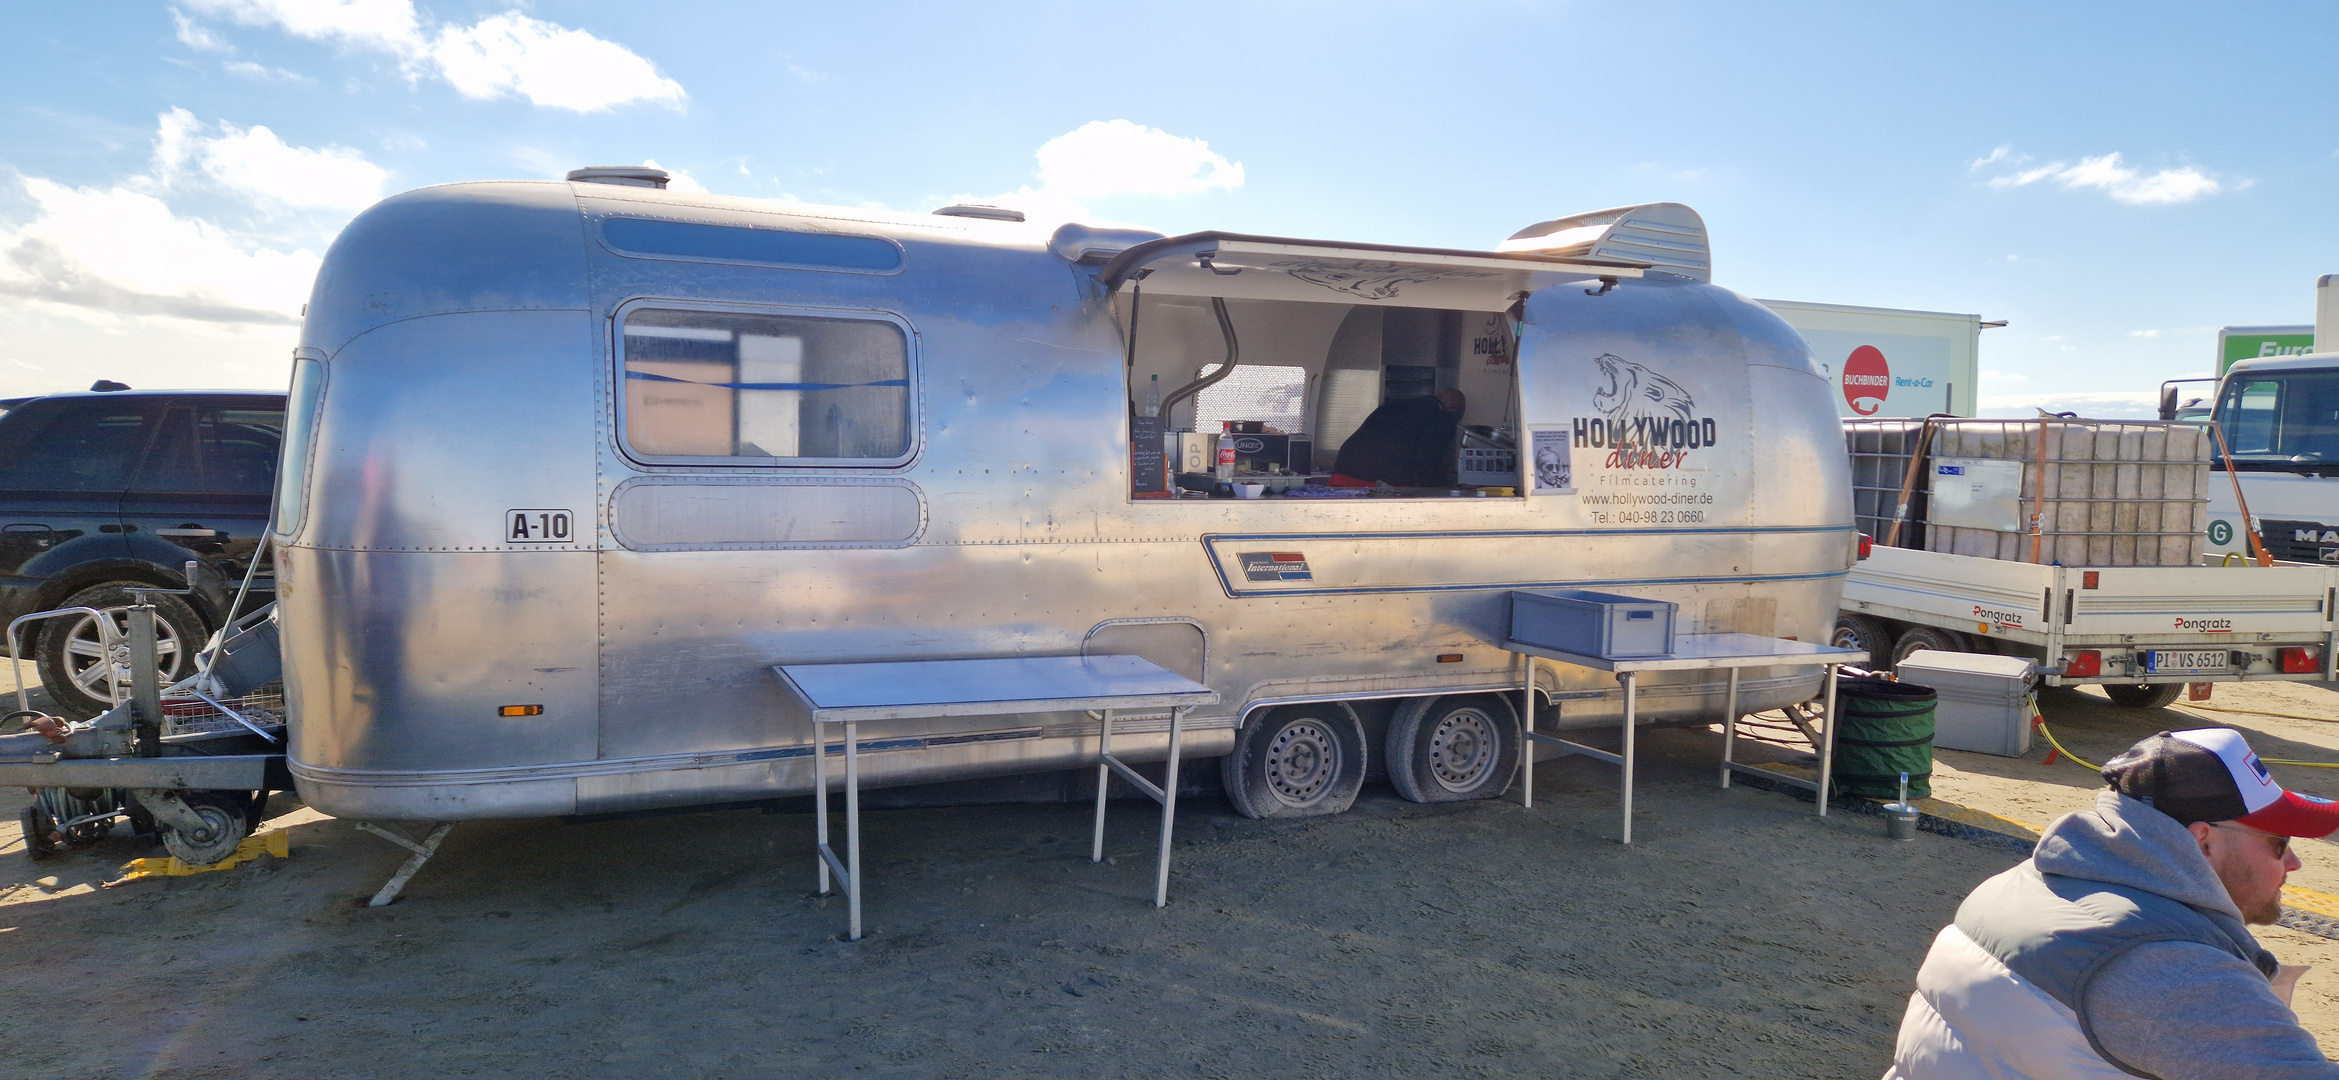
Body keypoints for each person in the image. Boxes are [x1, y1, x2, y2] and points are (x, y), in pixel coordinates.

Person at [1883, 727, 2339, 1078]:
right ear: (2203, 842)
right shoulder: (2182, 974)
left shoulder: (2026, 880)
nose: (2295, 862)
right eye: (2280, 843)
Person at [1328, 388, 1464, 488]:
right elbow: (1427, 459)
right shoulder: (1440, 419)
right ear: (1452, 410)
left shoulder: (1398, 404)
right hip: (1382, 478)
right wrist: (1436, 486)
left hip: (1345, 468)